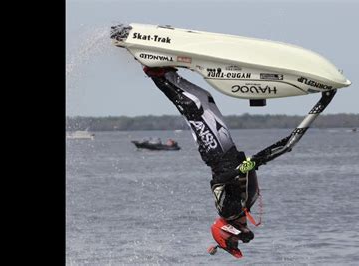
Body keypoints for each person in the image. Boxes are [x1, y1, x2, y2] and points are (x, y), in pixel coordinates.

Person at [142, 66, 332, 257]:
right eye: (237, 241)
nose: (240, 238)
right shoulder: (241, 210)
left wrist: (244, 167)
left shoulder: (228, 211)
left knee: (194, 109)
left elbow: (217, 182)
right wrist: (252, 164)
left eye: (234, 240)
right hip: (226, 150)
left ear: (227, 232)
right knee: (204, 99)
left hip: (216, 153)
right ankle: (168, 75)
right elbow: (250, 172)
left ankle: (156, 75)